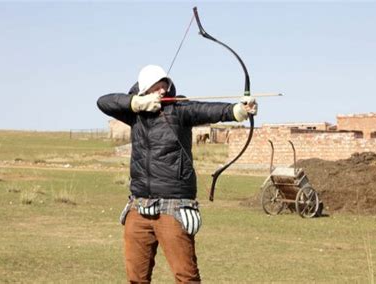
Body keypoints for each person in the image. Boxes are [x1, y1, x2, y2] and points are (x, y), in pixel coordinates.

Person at [97, 64, 257, 283]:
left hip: (173, 206)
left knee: (186, 277)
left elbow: (207, 110)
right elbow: (103, 101)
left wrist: (238, 110)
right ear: (144, 90)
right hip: (138, 204)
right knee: (136, 278)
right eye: (156, 87)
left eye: (165, 86)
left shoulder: (179, 109)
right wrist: (136, 103)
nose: (162, 91)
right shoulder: (134, 114)